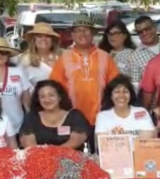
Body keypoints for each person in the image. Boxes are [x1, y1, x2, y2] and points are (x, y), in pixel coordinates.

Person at [50, 17, 120, 152]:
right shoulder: (64, 59)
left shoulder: (105, 57)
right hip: (72, 120)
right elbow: (55, 89)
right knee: (73, 162)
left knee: (101, 159)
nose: (82, 34)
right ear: (72, 35)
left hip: (101, 119)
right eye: (78, 31)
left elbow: (116, 87)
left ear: (93, 33)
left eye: (86, 30)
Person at [19, 80, 90, 150]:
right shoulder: (31, 117)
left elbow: (76, 140)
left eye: (51, 95)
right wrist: (45, 156)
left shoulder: (75, 115)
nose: (47, 100)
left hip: (71, 159)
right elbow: (29, 143)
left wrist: (55, 154)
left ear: (59, 97)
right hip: (40, 158)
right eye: (42, 97)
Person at [95, 75, 155, 139]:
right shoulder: (103, 117)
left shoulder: (142, 112)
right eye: (117, 92)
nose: (121, 95)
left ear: (131, 95)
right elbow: (103, 143)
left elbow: (147, 139)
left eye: (125, 91)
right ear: (111, 96)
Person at [19, 22, 62, 88]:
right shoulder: (24, 60)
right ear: (34, 40)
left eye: (47, 36)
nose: (43, 39)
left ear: (52, 40)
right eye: (39, 36)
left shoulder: (61, 57)